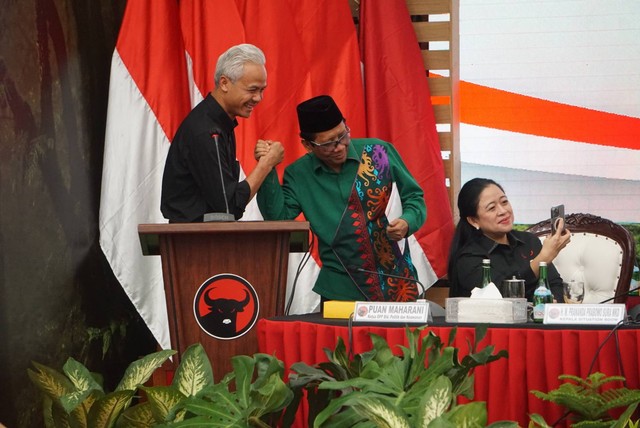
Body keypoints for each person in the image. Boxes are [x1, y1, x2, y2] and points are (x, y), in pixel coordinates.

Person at [256, 95, 426, 302]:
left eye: (342, 136)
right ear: (308, 146)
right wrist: (267, 167)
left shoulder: (378, 152)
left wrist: (408, 221)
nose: (339, 147)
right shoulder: (298, 174)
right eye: (327, 144)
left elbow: (414, 197)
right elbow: (278, 217)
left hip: (395, 282)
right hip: (339, 288)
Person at [161, 44, 284, 222]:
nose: (258, 98)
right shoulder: (208, 132)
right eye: (252, 90)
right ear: (224, 83)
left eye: (262, 90)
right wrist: (266, 164)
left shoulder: (220, 123)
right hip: (195, 242)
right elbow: (229, 207)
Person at [447, 178, 571, 301]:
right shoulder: (468, 258)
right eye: (492, 208)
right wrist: (543, 258)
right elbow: (499, 296)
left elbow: (554, 283)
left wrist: (552, 304)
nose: (503, 211)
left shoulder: (529, 241)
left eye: (504, 202)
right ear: (474, 220)